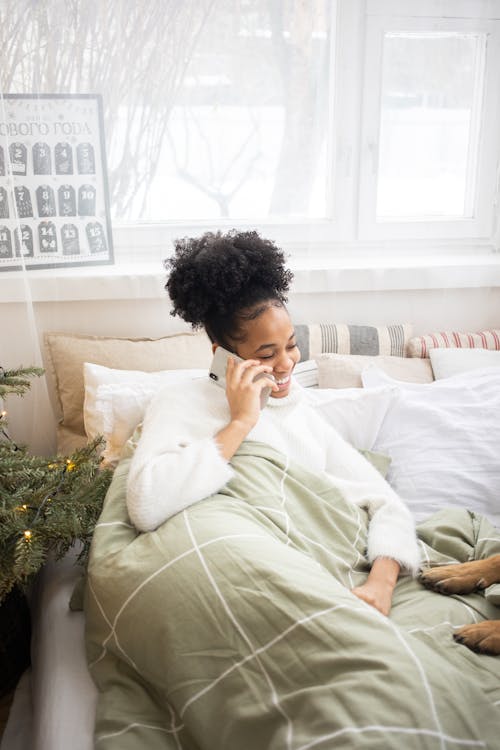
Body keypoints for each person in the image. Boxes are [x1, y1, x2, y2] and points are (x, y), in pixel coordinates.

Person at [126, 230, 420, 616]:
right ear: (223, 354)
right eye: (266, 353)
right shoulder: (182, 401)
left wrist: (380, 584)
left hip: (329, 576)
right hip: (245, 586)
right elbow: (146, 505)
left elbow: (385, 503)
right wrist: (241, 422)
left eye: (292, 345)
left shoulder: (299, 409)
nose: (286, 364)